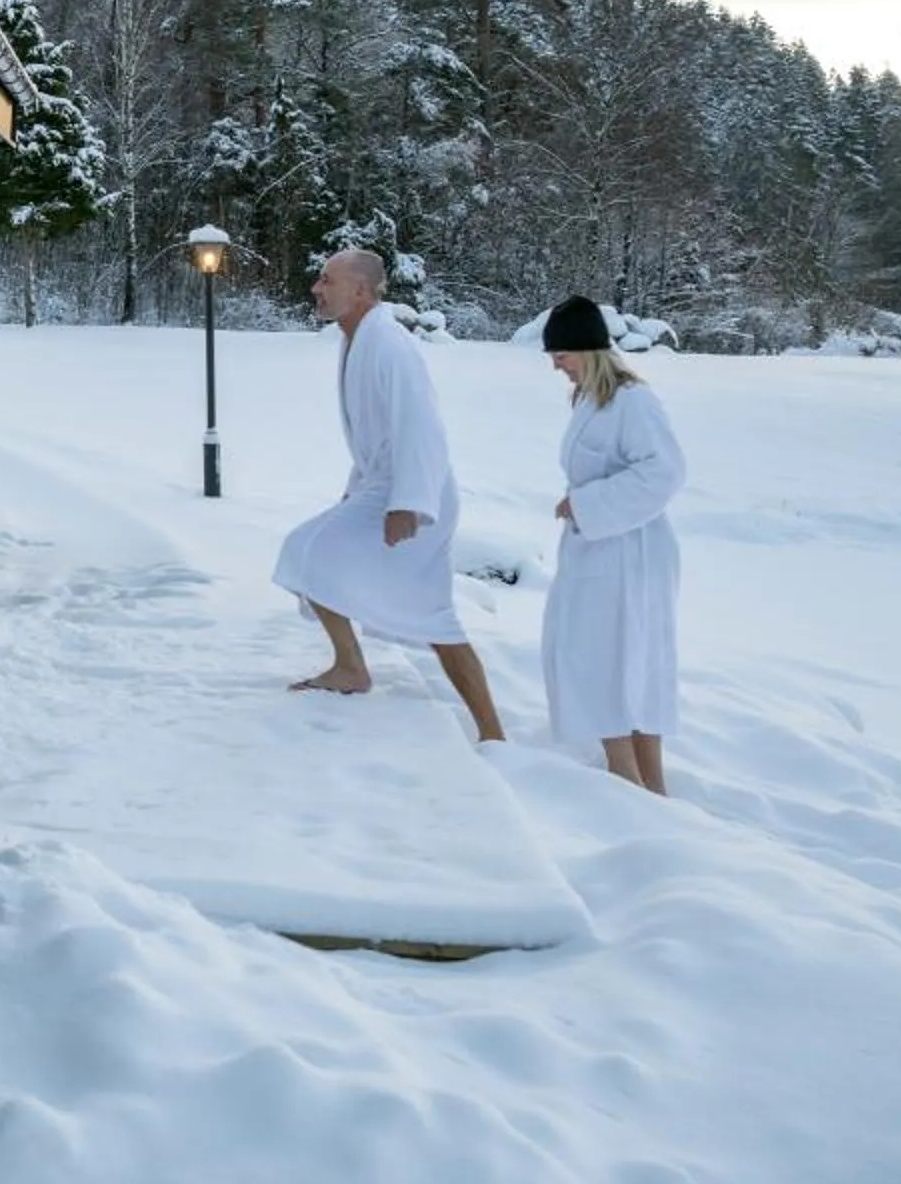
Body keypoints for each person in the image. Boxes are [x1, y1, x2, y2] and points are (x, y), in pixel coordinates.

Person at [272, 249, 506, 742]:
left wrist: (410, 503)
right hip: (383, 486)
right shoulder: (357, 339)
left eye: (326, 279)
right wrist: (358, 495)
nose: (316, 287)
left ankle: (491, 731)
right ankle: (349, 665)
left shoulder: (391, 345)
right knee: (308, 554)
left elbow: (423, 428)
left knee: (432, 613)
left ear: (360, 290)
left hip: (414, 493)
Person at [537, 295, 686, 793]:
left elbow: (663, 473)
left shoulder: (633, 402)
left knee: (618, 664)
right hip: (597, 551)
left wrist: (586, 504)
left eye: (562, 355)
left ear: (589, 349)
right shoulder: (588, 400)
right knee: (602, 660)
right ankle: (641, 785)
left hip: (631, 554)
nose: (557, 365)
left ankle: (637, 785)